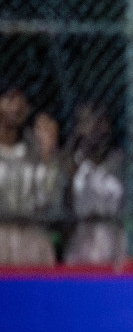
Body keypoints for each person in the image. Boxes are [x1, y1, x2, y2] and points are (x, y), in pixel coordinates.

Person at [0, 86, 65, 265]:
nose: (17, 105)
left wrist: (47, 157)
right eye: (9, 99)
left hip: (31, 238)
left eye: (21, 100)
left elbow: (51, 200)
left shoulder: (34, 153)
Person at [63, 102, 128, 265]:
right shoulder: (70, 164)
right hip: (81, 244)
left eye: (100, 122)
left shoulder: (122, 162)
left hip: (115, 244)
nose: (95, 128)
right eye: (88, 122)